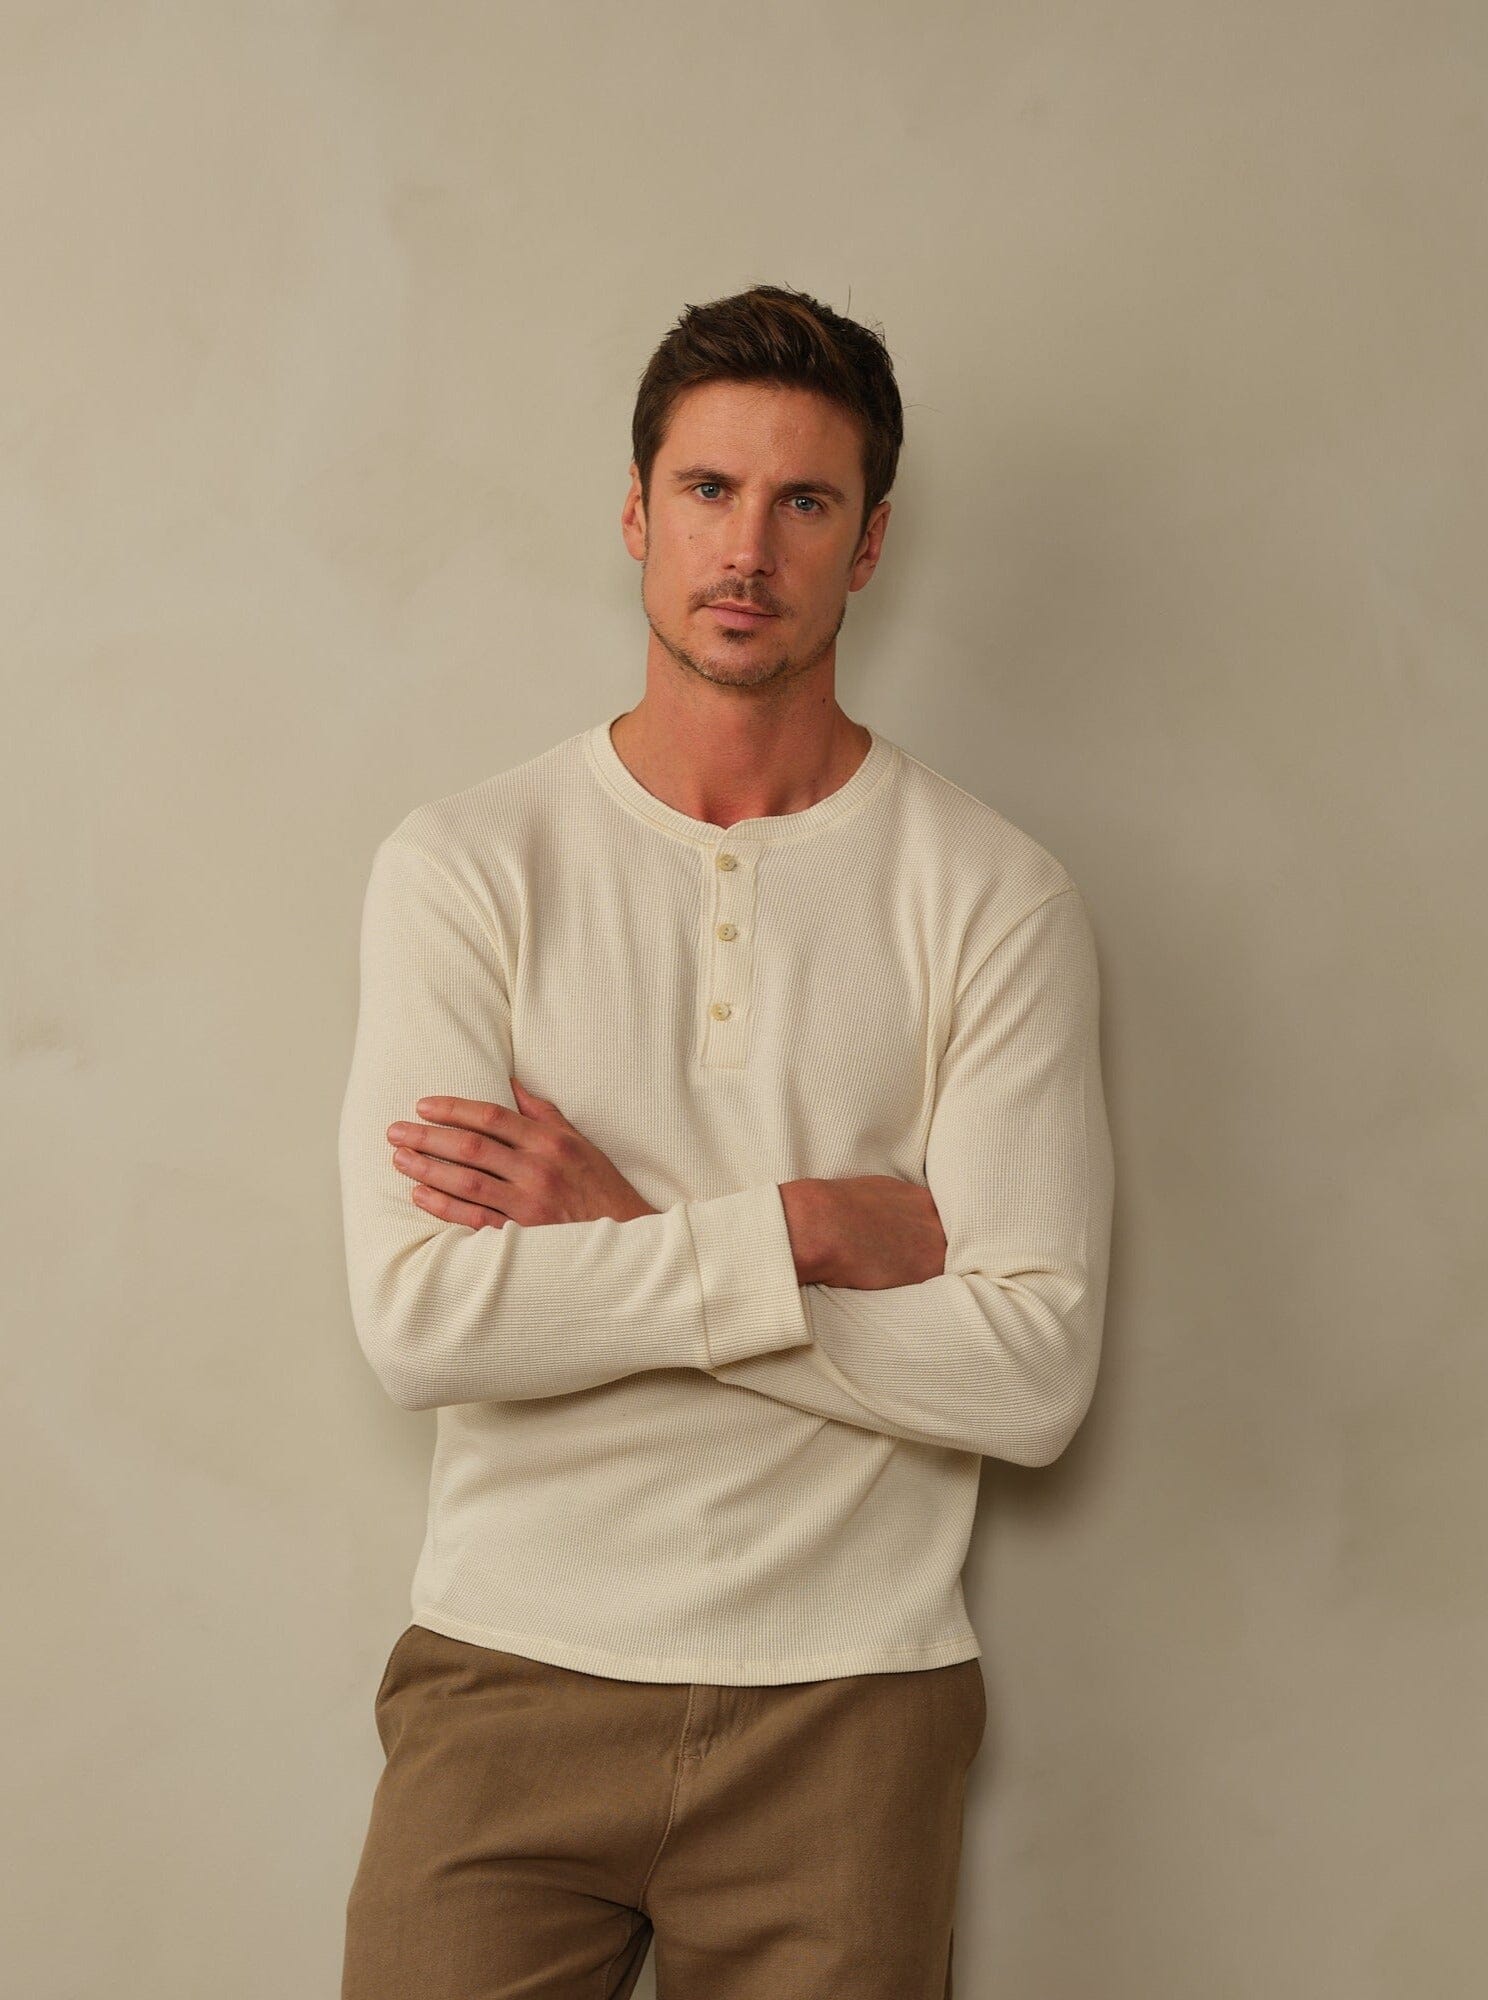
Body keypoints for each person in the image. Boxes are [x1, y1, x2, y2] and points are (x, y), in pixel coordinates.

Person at [336, 282, 1115, 2000]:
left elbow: (1030, 1379)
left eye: (804, 501)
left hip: (852, 1707)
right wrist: (805, 1229)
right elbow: (424, 1323)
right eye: (708, 490)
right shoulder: (468, 868)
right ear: (636, 513)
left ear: (870, 542)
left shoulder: (994, 899)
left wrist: (617, 1230)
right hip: (508, 1676)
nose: (747, 548)